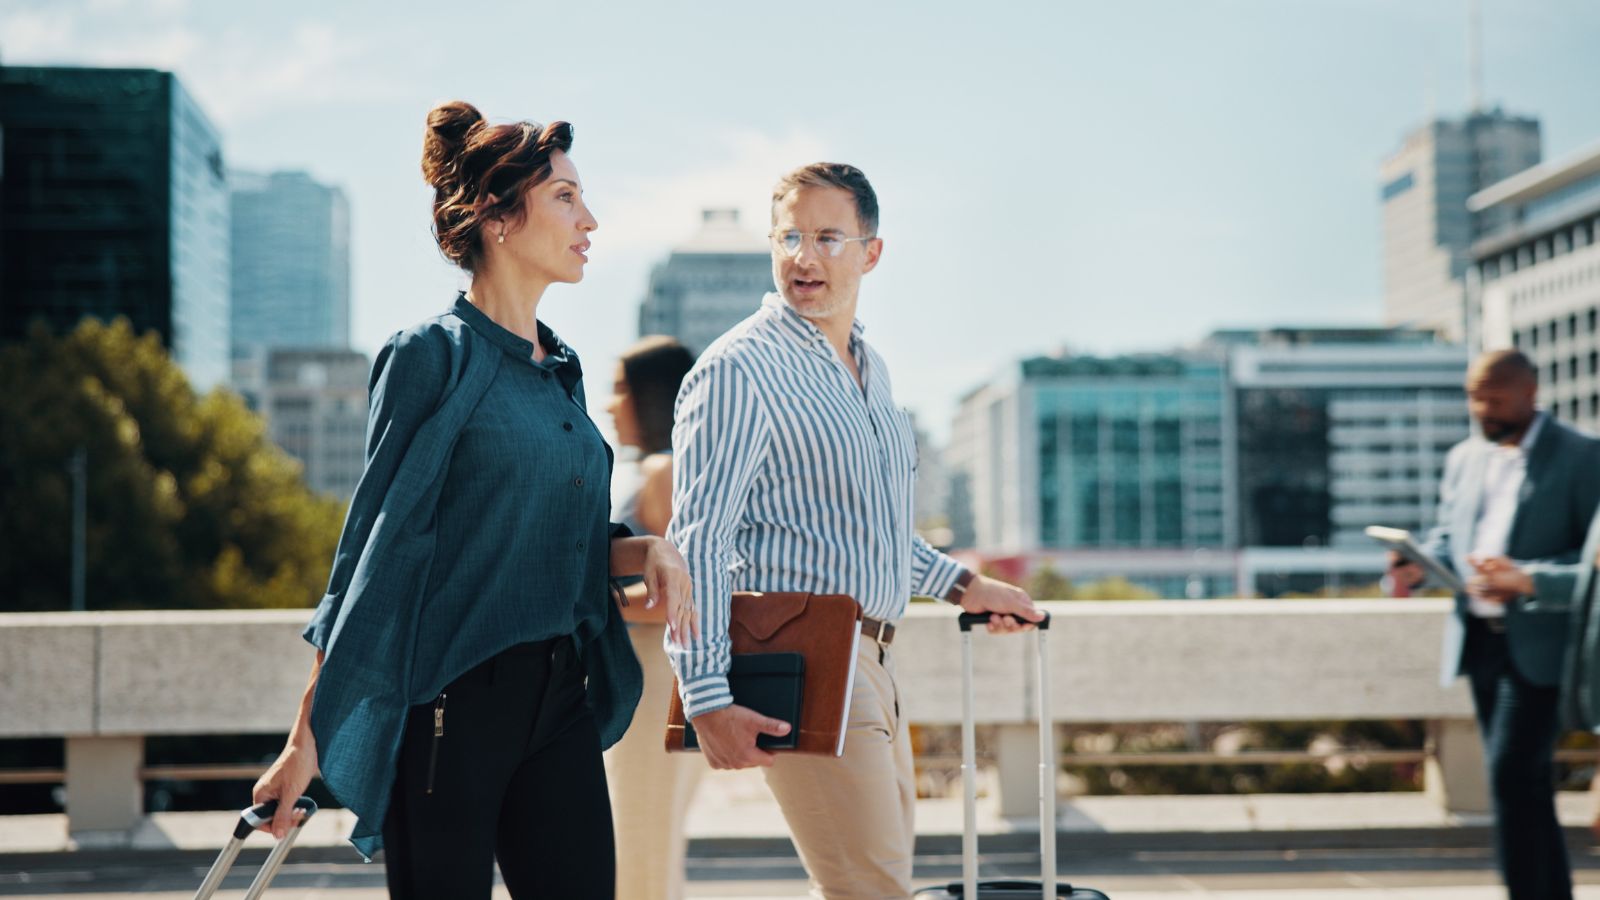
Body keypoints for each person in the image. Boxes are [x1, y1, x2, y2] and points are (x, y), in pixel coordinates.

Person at [249, 101, 694, 899]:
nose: (588, 218)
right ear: (497, 216)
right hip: (451, 715)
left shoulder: (560, 369)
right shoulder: (431, 358)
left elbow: (558, 537)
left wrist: (644, 549)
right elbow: (371, 557)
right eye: (564, 196)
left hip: (559, 700)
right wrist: (304, 741)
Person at [666, 162, 1046, 899]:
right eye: (789, 237)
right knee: (872, 886)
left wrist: (967, 587)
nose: (804, 257)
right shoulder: (741, 370)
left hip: (875, 663)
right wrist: (706, 696)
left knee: (867, 879)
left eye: (828, 237)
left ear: (871, 252)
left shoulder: (870, 370)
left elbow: (873, 536)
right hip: (802, 661)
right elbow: (700, 542)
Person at [1389, 348, 1600, 900]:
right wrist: (1419, 560)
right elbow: (1450, 538)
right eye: (1474, 396)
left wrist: (1525, 578)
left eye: (1495, 398)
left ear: (1530, 393)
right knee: (1523, 786)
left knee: (1510, 776)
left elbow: (1593, 564)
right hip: (1477, 640)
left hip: (1542, 645)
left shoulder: (1583, 457)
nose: (1482, 408)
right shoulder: (1465, 458)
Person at [602, 335, 703, 900]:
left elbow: (683, 593)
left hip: (654, 674)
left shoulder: (666, 469)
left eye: (621, 389)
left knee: (641, 850)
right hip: (655, 676)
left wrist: (589, 597)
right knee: (650, 849)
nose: (611, 404)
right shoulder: (672, 467)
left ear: (653, 395)